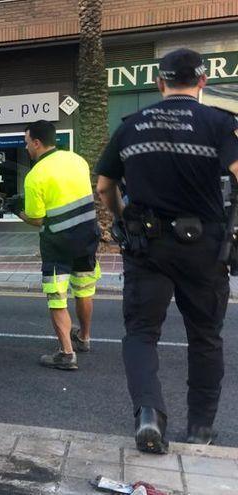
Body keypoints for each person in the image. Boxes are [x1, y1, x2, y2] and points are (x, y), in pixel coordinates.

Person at [96, 48, 238, 453]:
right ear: (202, 82)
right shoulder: (218, 123)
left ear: (160, 82)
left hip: (147, 246)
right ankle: (200, 429)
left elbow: (105, 187)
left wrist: (122, 219)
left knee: (141, 334)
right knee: (205, 337)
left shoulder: (130, 127)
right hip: (205, 249)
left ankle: (148, 415)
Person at [9, 120, 100, 371]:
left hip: (58, 243)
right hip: (88, 236)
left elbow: (37, 218)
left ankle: (66, 354)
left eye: (27, 143)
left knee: (57, 297)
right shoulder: (77, 160)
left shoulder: (34, 175)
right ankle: (84, 338)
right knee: (83, 290)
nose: (26, 148)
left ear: (37, 143)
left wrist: (17, 211)